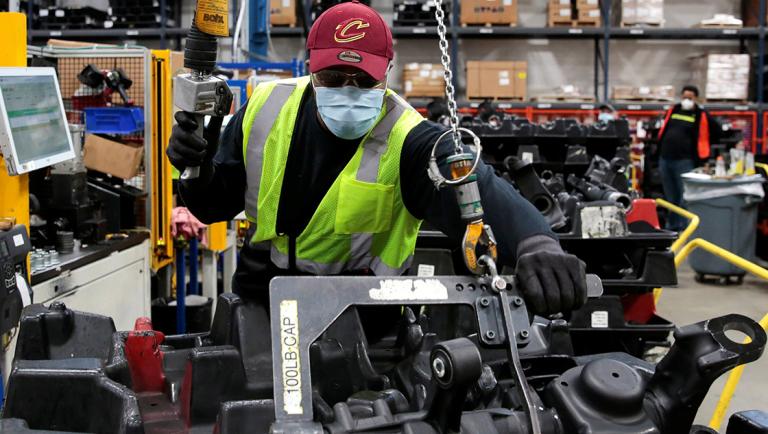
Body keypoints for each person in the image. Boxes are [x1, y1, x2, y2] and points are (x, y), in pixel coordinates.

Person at [167, 0, 587, 317]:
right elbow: (211, 205)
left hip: (363, 315)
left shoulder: (410, 139)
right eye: (333, 78)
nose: (348, 90)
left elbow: (478, 185)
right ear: (312, 68)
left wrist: (536, 242)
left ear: (387, 73)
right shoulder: (266, 107)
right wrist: (195, 167)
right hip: (263, 300)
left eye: (364, 80)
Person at [657, 85, 711, 231]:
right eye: (684, 97)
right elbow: (664, 130)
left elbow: (706, 136)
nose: (686, 100)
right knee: (671, 198)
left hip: (685, 162)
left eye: (690, 98)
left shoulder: (700, 114)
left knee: (683, 198)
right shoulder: (673, 110)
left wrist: (704, 160)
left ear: (696, 99)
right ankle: (672, 228)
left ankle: (682, 229)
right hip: (666, 159)